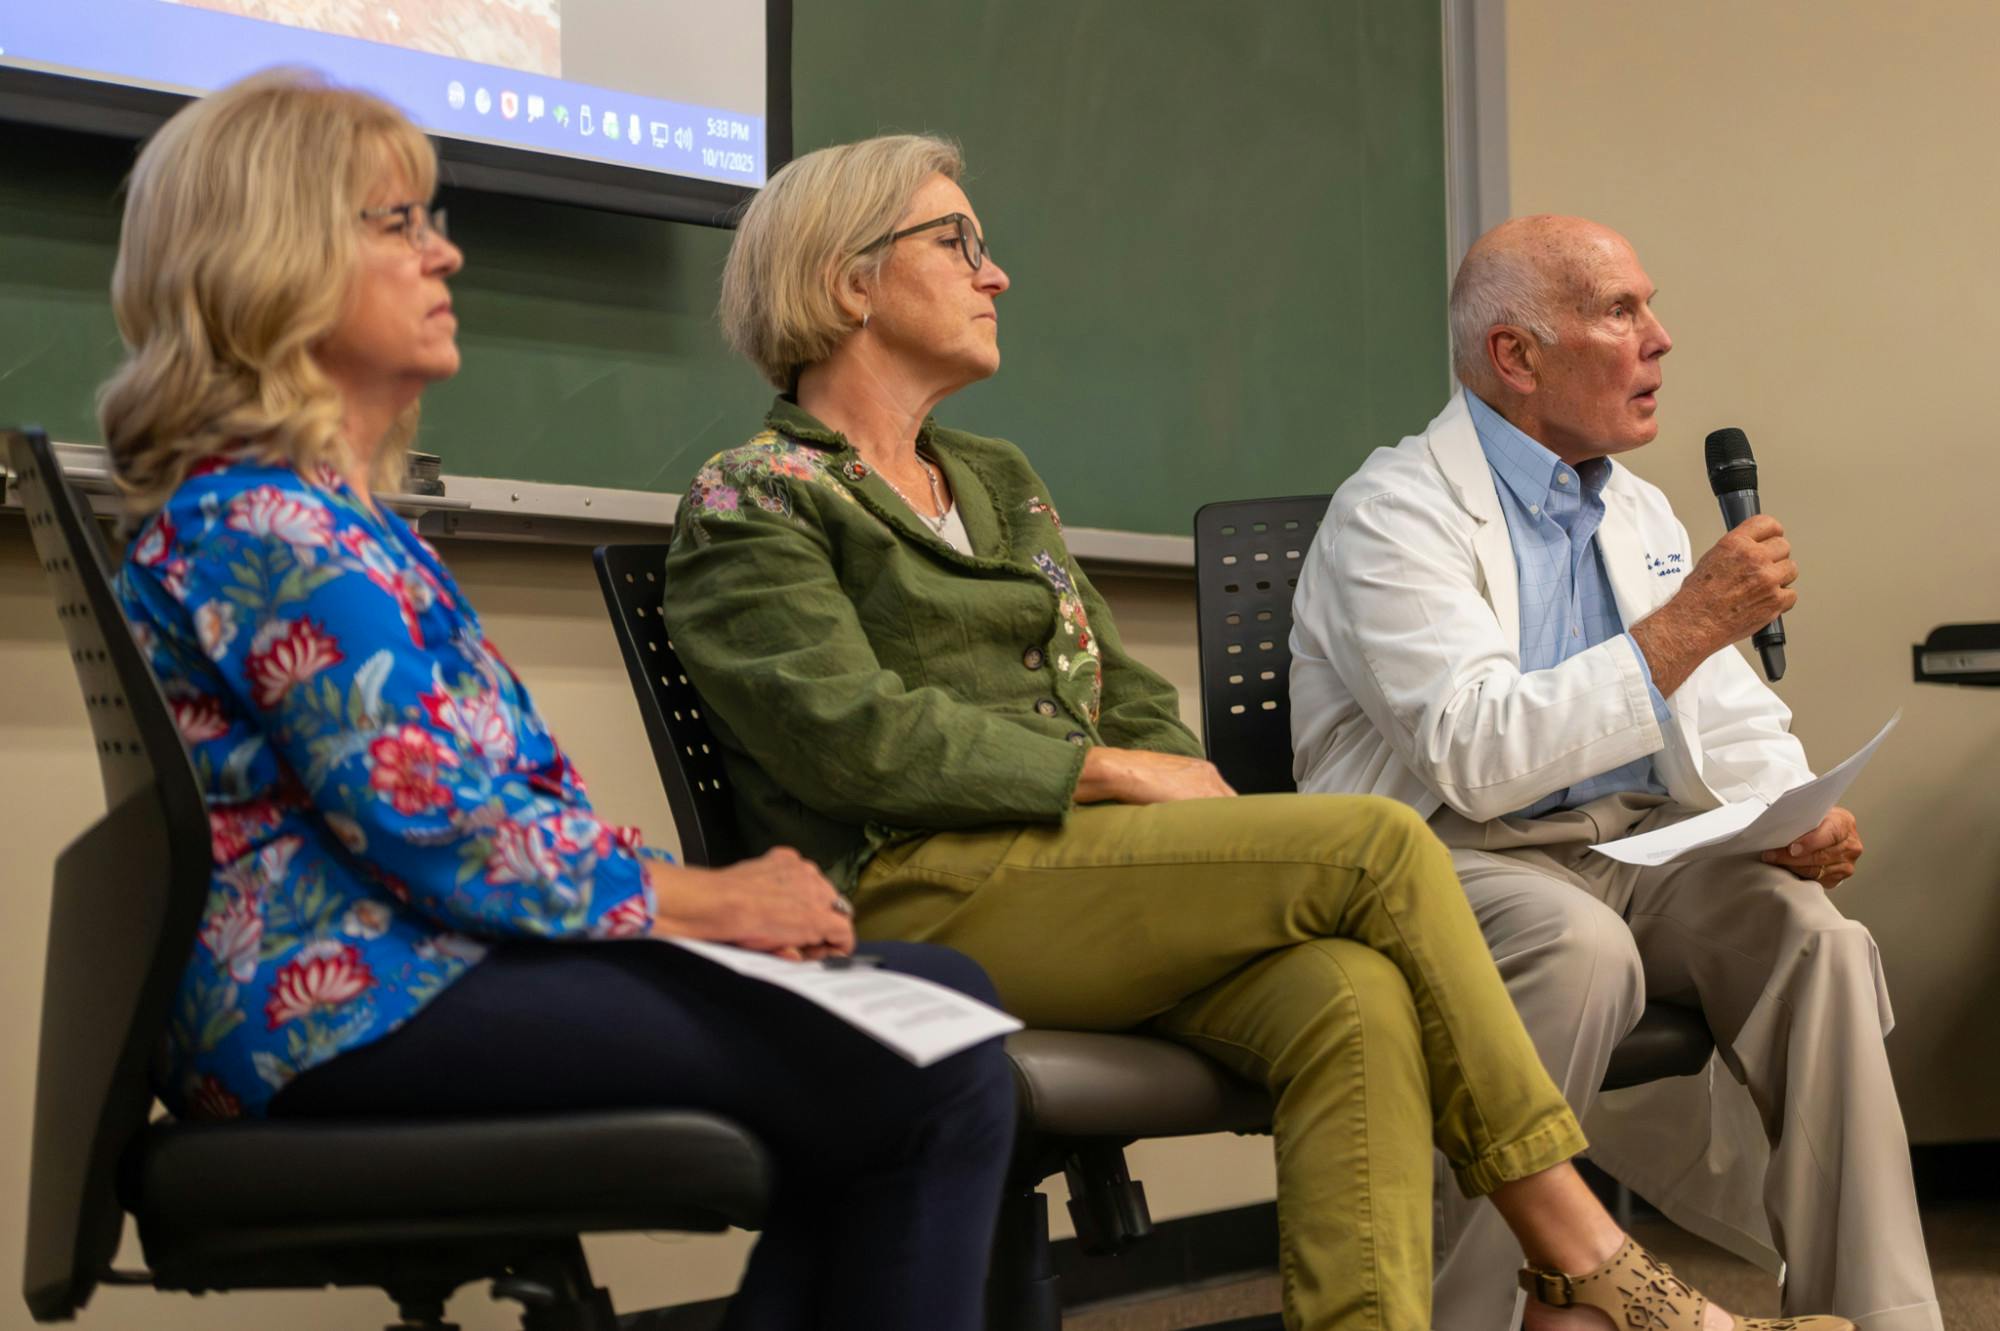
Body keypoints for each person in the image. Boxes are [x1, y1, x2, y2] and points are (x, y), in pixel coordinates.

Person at [660, 135, 1848, 1331]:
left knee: (1350, 992)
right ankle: (1583, 1256)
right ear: (850, 277)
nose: (995, 273)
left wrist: (1164, 774)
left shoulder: (989, 477)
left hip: (1075, 878)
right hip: (915, 887)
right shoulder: (751, 495)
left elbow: (1120, 691)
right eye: (956, 241)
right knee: (1378, 846)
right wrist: (1111, 770)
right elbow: (848, 736)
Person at [104, 71, 1015, 1331]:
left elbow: (485, 811)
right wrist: (707, 898)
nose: (447, 251)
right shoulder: (264, 522)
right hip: (343, 1006)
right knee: (937, 1056)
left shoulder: (321, 519)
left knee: (937, 1003)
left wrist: (683, 901)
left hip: (414, 971)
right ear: (275, 260)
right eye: (400, 224)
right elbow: (441, 829)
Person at [1289, 214, 1937, 1331]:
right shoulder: (1390, 513)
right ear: (1514, 354)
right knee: (1573, 944)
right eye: (1618, 310)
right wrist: (1686, 624)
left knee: (1814, 940)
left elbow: (1725, 713)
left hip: (1628, 843)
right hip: (1447, 856)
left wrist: (1794, 810)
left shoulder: (1628, 507)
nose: (1659, 338)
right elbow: (1474, 755)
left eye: (1648, 305)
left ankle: (1879, 1313)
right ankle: (1469, 1313)